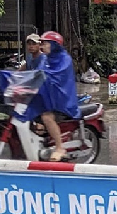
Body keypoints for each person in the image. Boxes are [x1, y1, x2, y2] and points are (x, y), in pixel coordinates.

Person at [28, 31, 81, 162]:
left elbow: (52, 75)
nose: (42, 46)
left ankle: (59, 148)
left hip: (62, 100)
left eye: (45, 43)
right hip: (50, 97)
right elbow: (37, 73)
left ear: (54, 45)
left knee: (47, 117)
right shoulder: (45, 59)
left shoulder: (65, 59)